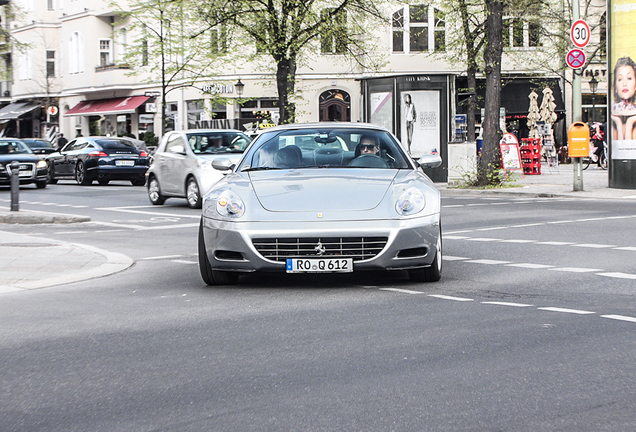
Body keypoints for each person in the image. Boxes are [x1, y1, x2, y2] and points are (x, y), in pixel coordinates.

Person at [611, 57, 636, 140]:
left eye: (629, 78)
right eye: (620, 79)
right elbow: (620, 150)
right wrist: (618, 123)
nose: (624, 84)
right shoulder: (612, 123)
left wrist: (630, 122)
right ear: (615, 87)